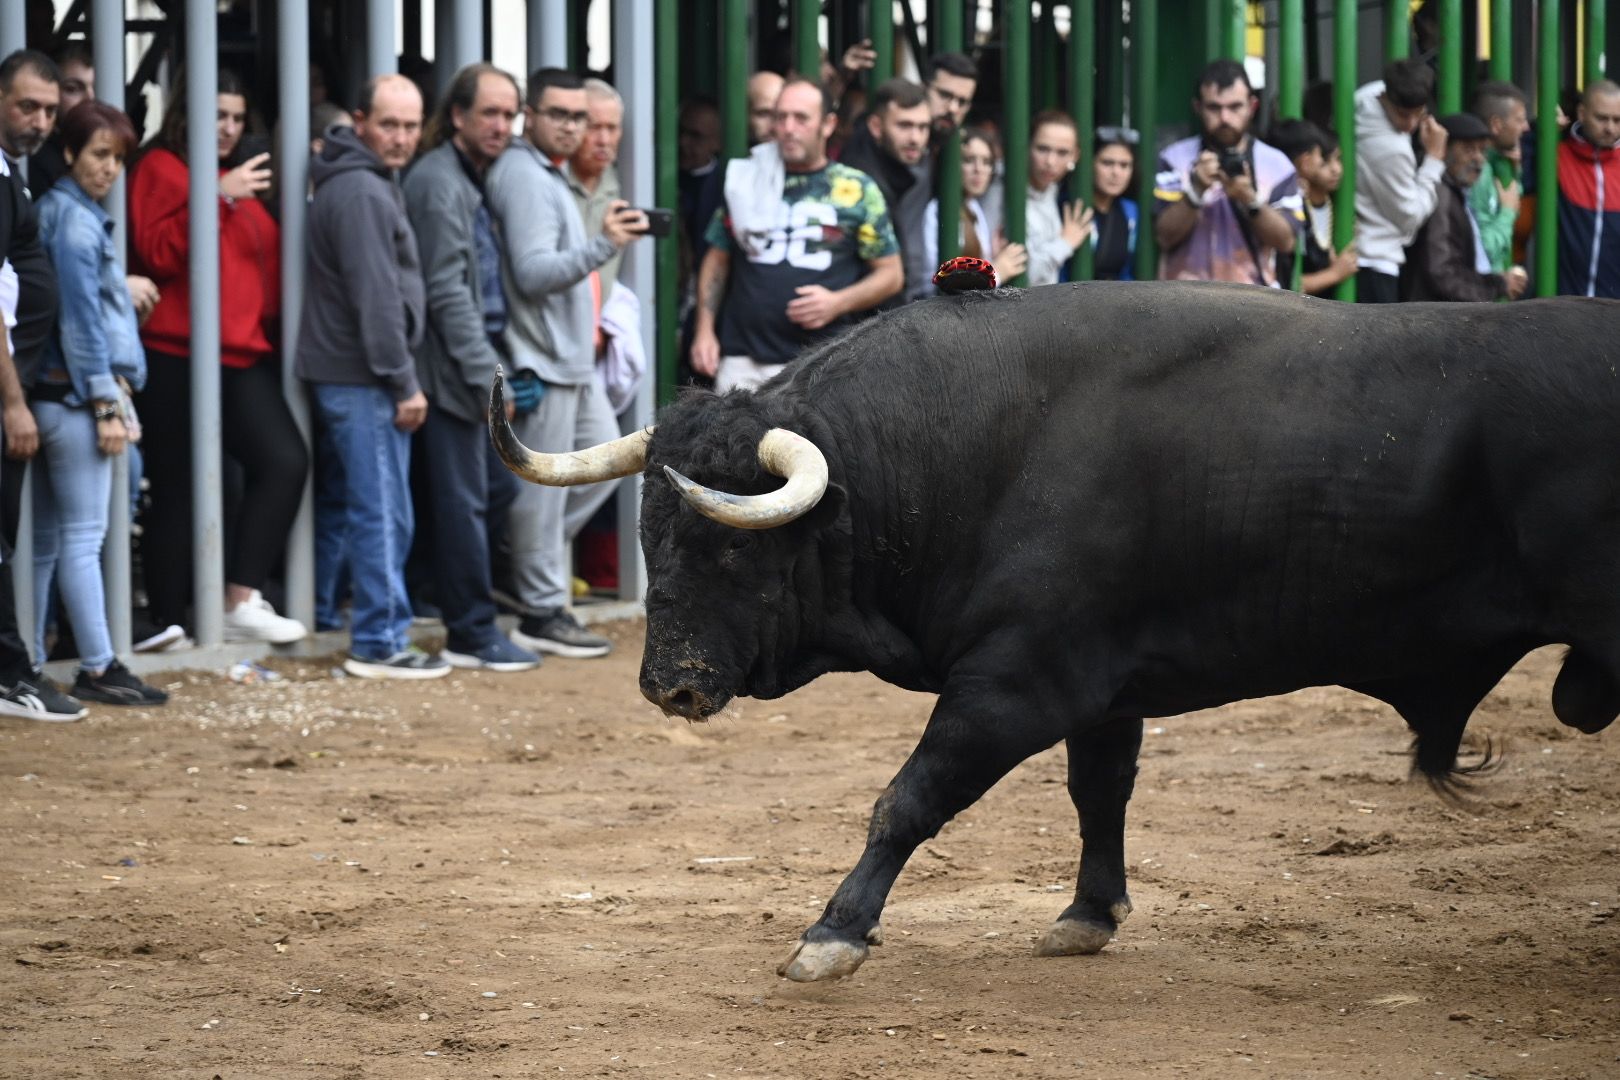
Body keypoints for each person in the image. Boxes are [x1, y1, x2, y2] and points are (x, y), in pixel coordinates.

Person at [127, 69, 309, 643]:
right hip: (175, 351)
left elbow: (266, 269)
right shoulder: (163, 168)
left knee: (283, 461)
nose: (228, 127)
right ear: (189, 114)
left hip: (240, 353)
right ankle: (166, 619)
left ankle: (238, 598)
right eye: (217, 115)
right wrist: (216, 197)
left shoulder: (243, 182)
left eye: (236, 117)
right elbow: (154, 253)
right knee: (180, 486)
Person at [485, 67, 647, 659]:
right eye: (558, 113)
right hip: (543, 364)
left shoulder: (546, 175)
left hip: (571, 366)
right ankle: (541, 609)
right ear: (532, 114)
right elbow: (531, 273)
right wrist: (605, 244)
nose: (571, 126)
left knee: (596, 469)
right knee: (543, 495)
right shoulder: (526, 177)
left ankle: (527, 574)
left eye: (578, 117)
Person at [298, 75, 446, 679]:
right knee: (382, 510)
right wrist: (401, 380)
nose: (403, 138)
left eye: (412, 126)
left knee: (353, 504)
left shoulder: (362, 180)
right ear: (361, 121)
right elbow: (376, 299)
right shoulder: (361, 189)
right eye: (390, 124)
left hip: (353, 374)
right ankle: (379, 641)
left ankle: (334, 615)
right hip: (365, 377)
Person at [401, 63, 538, 673]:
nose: (501, 126)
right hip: (451, 369)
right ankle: (471, 631)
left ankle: (437, 596)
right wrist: (490, 377)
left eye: (510, 115)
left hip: (467, 363)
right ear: (457, 115)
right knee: (466, 501)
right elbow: (448, 293)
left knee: (493, 489)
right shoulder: (438, 181)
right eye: (490, 112)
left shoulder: (465, 175)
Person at [32, 101, 166, 705]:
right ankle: (98, 663)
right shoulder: (77, 223)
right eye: (98, 155)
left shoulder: (66, 214)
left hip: (58, 396)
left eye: (118, 158)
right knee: (82, 537)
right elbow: (81, 322)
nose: (110, 169)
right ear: (69, 153)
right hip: (78, 397)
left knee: (47, 542)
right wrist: (106, 402)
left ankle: (31, 660)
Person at [691, 77, 902, 392]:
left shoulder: (858, 189)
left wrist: (838, 303)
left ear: (827, 125)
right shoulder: (746, 180)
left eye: (801, 118)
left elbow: (891, 275)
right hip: (744, 363)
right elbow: (718, 257)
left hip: (823, 366)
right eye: (780, 117)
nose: (788, 128)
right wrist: (704, 331)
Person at [0, 51, 80, 721]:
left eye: (51, 111)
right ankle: (9, 672)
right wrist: (13, 401)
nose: (41, 122)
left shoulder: (11, 177)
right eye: (28, 106)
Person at [1154, 59, 1301, 285]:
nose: (1225, 118)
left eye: (1235, 107)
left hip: (1256, 305)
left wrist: (1250, 201)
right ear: (1198, 107)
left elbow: (1286, 242)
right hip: (1185, 305)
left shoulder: (1277, 165)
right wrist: (1195, 191)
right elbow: (1164, 237)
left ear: (1252, 106)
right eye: (1214, 107)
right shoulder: (1174, 159)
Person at [1405, 113, 1529, 303]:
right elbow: (1442, 272)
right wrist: (1497, 285)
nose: (1479, 159)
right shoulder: (1440, 194)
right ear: (1443, 150)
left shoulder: (1454, 193)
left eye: (1482, 150)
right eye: (1469, 150)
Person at [1354, 59, 1448, 302]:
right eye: (1402, 114)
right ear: (1384, 97)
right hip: (1375, 262)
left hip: (1362, 256)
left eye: (1418, 114)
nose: (1410, 124)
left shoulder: (1366, 95)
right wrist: (1434, 160)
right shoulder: (1391, 149)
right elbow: (1410, 217)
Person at [837, 78, 933, 300]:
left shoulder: (885, 160)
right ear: (876, 127)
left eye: (923, 127)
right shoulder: (864, 181)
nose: (915, 138)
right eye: (904, 125)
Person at [919, 127, 1026, 286]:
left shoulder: (973, 207)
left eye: (987, 162)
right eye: (969, 160)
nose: (979, 169)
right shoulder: (937, 210)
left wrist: (991, 255)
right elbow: (935, 282)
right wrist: (997, 272)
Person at [1269, 119, 1358, 297]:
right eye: (1323, 159)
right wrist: (1334, 274)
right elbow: (1289, 280)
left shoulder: (1331, 203)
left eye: (1337, 159)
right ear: (1305, 161)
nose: (1335, 169)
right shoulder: (1285, 208)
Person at [1556, 79, 1620, 298]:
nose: (1610, 128)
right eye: (1602, 118)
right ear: (1582, 113)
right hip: (1564, 305)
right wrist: (1540, 129)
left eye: (1617, 120)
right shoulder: (1556, 154)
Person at [568, 78, 627, 297]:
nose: (604, 140)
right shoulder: (550, 181)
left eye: (612, 128)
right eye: (594, 128)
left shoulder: (627, 179)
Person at [1468, 81, 1530, 274]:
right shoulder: (1477, 174)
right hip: (1477, 296)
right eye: (1519, 120)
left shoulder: (1494, 162)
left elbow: (1510, 199)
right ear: (1496, 124)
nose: (1526, 127)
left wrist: (1514, 171)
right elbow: (1481, 251)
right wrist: (1507, 212)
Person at [1025, 110, 1093, 287]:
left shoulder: (1053, 191)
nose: (1050, 161)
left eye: (1062, 153)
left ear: (1075, 156)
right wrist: (1064, 243)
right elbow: (1022, 275)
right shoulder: (1002, 193)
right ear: (1027, 146)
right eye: (1042, 149)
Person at [1088, 126, 1140, 281]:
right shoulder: (1067, 206)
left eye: (1124, 165)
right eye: (1107, 163)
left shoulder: (1131, 211)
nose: (1116, 173)